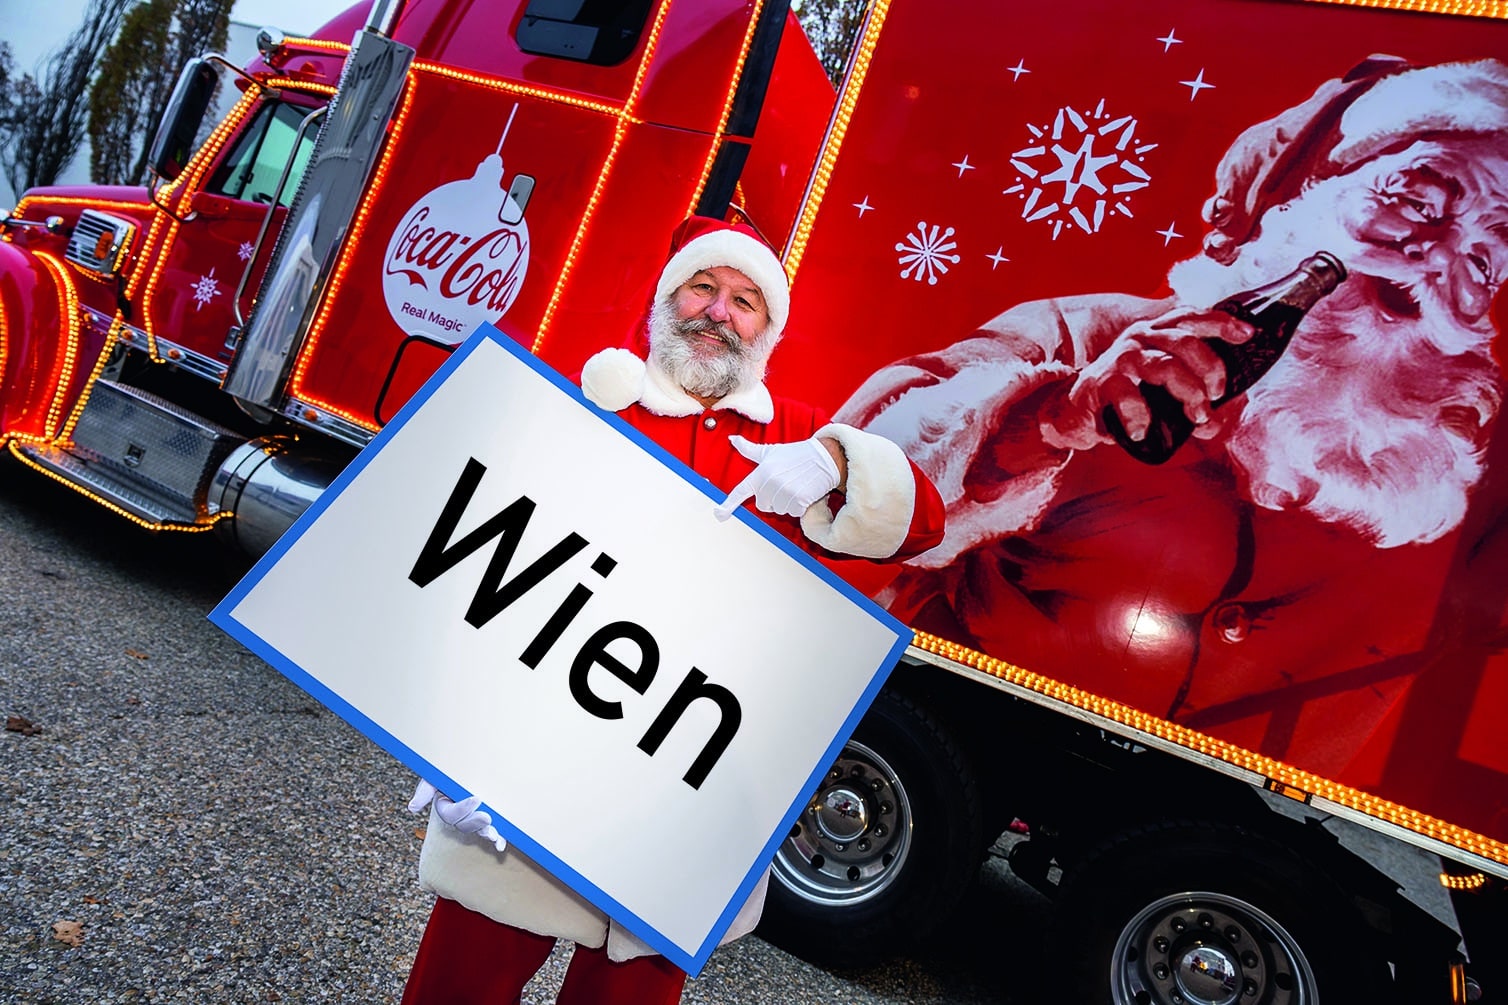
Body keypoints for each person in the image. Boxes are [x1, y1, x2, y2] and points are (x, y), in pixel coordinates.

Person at [835, 57, 1508, 836]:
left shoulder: (1454, 488)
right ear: (1304, 197)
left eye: (1485, 261)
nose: (1431, 262)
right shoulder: (1094, 339)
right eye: (1416, 198)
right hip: (962, 718)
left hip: (1234, 829)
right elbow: (859, 476)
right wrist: (1050, 417)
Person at [400, 214, 946, 1004]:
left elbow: (924, 524)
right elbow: (484, 575)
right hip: (534, 763)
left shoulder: (792, 438)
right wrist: (445, 740)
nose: (719, 311)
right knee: (459, 987)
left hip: (683, 790)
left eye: (746, 300)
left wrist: (835, 458)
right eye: (703, 286)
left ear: (767, 330)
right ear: (667, 297)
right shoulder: (584, 399)